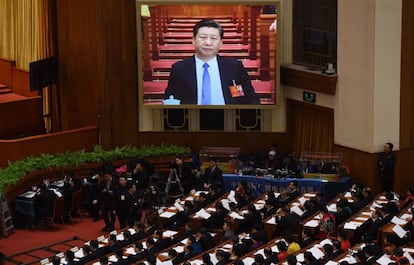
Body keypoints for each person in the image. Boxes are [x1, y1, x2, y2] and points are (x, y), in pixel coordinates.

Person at [164, 19, 260, 105]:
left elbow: (250, 98)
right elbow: (171, 99)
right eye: (203, 37)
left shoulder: (234, 67)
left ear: (221, 43)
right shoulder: (179, 69)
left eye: (213, 38)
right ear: (193, 40)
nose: (208, 43)